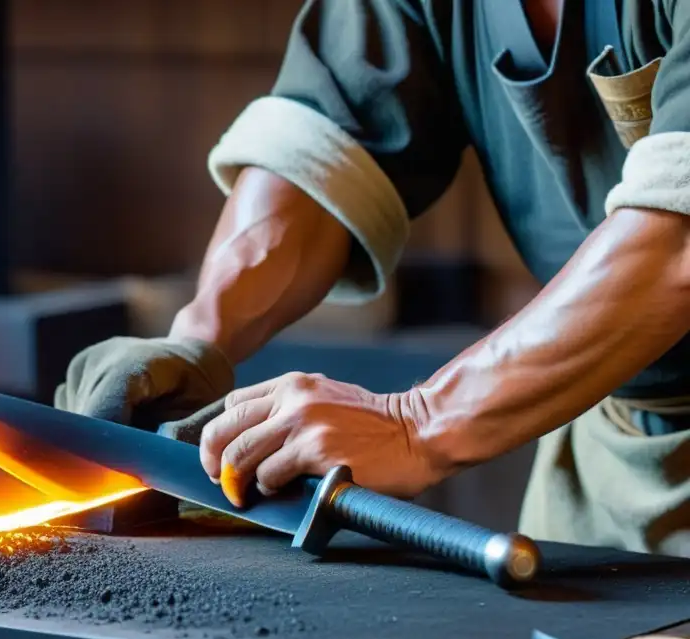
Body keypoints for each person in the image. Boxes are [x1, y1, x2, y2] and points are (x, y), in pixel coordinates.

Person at [54, 0, 690, 555]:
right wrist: (197, 337)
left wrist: (416, 422)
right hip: (607, 470)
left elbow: (678, 248)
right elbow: (323, 141)